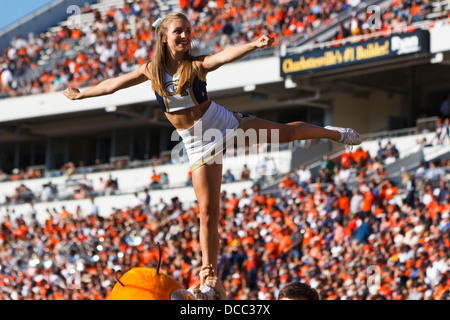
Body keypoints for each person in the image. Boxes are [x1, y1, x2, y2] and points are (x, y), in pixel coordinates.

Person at [63, 12, 362, 299]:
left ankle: (335, 134)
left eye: (188, 31)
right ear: (164, 36)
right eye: (178, 31)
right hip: (197, 143)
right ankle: (209, 278)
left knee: (285, 132)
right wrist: (82, 94)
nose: (185, 36)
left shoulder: (196, 66)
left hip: (223, 123)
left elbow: (223, 56)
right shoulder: (150, 70)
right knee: (207, 212)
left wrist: (252, 45)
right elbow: (112, 85)